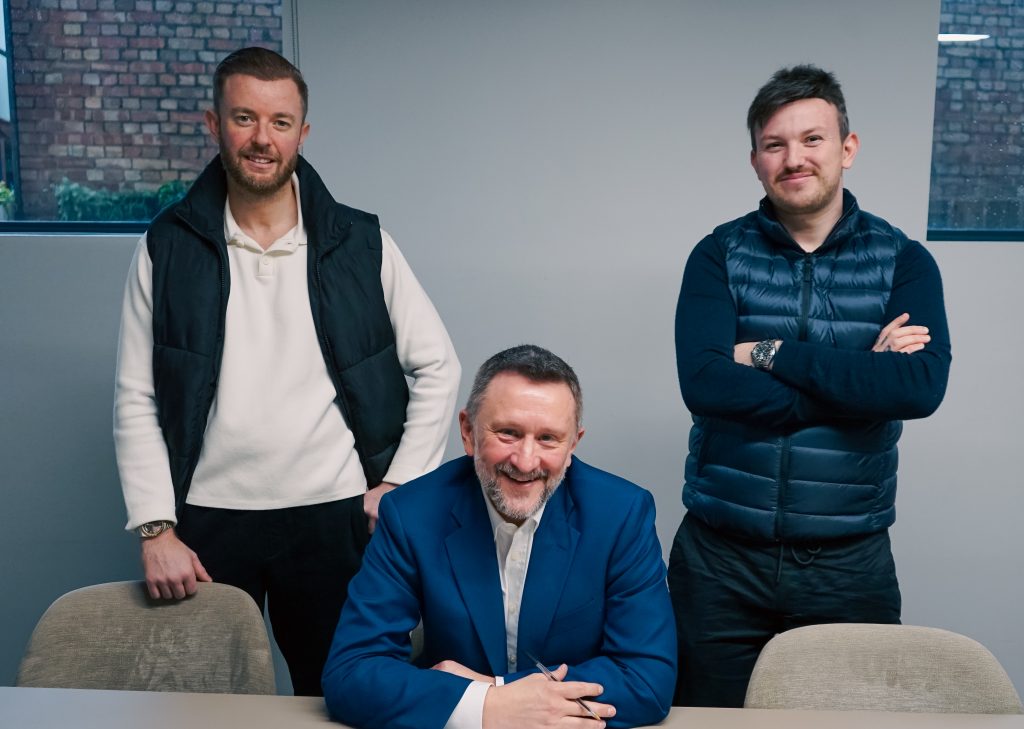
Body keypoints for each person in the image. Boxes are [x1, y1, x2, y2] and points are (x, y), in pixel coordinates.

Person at [113, 47, 460, 696]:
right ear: (213, 126)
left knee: (346, 697)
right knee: (201, 703)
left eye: (279, 122)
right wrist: (156, 527)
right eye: (243, 118)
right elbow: (135, 395)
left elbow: (438, 364)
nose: (261, 139)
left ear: (303, 133)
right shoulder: (166, 246)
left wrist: (401, 483)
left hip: (335, 517)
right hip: (207, 522)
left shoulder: (361, 242)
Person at [669, 64, 951, 708]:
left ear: (847, 149)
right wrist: (861, 380)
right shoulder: (717, 255)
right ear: (755, 160)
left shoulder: (904, 260)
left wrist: (768, 353)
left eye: (812, 139)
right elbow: (706, 383)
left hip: (849, 564)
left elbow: (919, 387)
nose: (794, 158)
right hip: (719, 560)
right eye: (776, 144)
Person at [322, 345, 676, 729]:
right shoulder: (410, 513)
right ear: (468, 431)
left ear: (573, 445)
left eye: (548, 439)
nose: (525, 461)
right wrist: (487, 708)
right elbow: (351, 672)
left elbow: (647, 679)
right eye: (507, 433)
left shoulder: (621, 514)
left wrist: (494, 693)